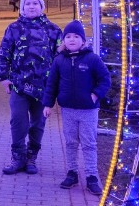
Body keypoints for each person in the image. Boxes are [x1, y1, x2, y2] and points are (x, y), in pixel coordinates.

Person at [0, 0, 62, 175]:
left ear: (42, 7)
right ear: (22, 7)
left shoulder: (54, 30)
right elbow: (4, 54)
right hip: (19, 85)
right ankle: (18, 157)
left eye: (35, 3)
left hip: (44, 87)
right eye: (28, 3)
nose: (31, 6)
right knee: (18, 120)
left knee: (38, 123)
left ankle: (31, 157)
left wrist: (56, 85)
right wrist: (4, 77)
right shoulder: (13, 28)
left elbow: (60, 59)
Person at [43, 20, 111, 195]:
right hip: (68, 110)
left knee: (89, 144)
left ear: (83, 40)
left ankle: (92, 177)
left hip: (88, 110)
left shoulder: (92, 59)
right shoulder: (59, 61)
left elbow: (105, 79)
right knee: (71, 143)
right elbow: (52, 84)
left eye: (76, 37)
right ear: (63, 40)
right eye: (68, 37)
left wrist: (95, 94)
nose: (71, 40)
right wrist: (48, 104)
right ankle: (72, 173)